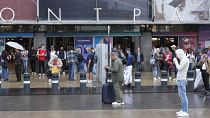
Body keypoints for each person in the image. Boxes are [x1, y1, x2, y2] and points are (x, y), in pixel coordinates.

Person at [173, 49, 189, 117]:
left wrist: (176, 61)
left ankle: (185, 111)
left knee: (183, 95)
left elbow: (179, 68)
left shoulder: (185, 59)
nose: (176, 56)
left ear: (179, 54)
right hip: (180, 79)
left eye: (177, 54)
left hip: (182, 80)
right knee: (181, 95)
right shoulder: (183, 59)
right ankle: (183, 110)